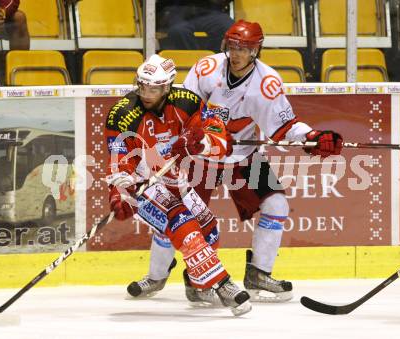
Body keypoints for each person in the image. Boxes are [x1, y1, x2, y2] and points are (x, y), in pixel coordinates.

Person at [129, 20, 343, 303]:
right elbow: (183, 109)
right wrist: (192, 138)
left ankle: (258, 274)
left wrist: (314, 137)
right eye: (233, 46)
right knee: (175, 213)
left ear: (256, 50)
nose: (237, 53)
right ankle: (160, 276)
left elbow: (284, 126)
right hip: (202, 155)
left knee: (276, 204)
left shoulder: (267, 84)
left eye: (245, 48)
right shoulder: (207, 69)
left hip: (243, 157)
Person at [104, 53, 251, 316]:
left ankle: (197, 286)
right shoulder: (122, 115)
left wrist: (201, 143)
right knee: (182, 223)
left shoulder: (188, 102)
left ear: (168, 86)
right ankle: (221, 283)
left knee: (209, 228)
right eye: (143, 86)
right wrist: (121, 192)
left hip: (176, 181)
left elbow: (219, 137)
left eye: (154, 88)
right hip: (144, 186)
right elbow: (119, 162)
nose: (147, 93)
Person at [157, 0, 234, 52]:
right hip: (179, 9)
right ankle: (192, 65)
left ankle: (216, 64)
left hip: (211, 10)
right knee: (178, 30)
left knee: (228, 27)